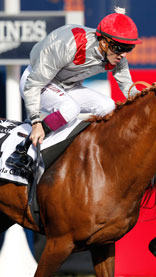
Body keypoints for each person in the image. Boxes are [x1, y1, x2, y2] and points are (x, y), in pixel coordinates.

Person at [7, 7, 141, 171]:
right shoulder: (69, 44)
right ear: (104, 43)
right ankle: (24, 148)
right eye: (120, 48)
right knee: (70, 108)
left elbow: (130, 91)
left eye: (129, 49)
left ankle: (94, 153)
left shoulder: (117, 57)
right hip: (35, 81)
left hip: (68, 87)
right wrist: (35, 122)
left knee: (108, 107)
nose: (123, 55)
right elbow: (34, 84)